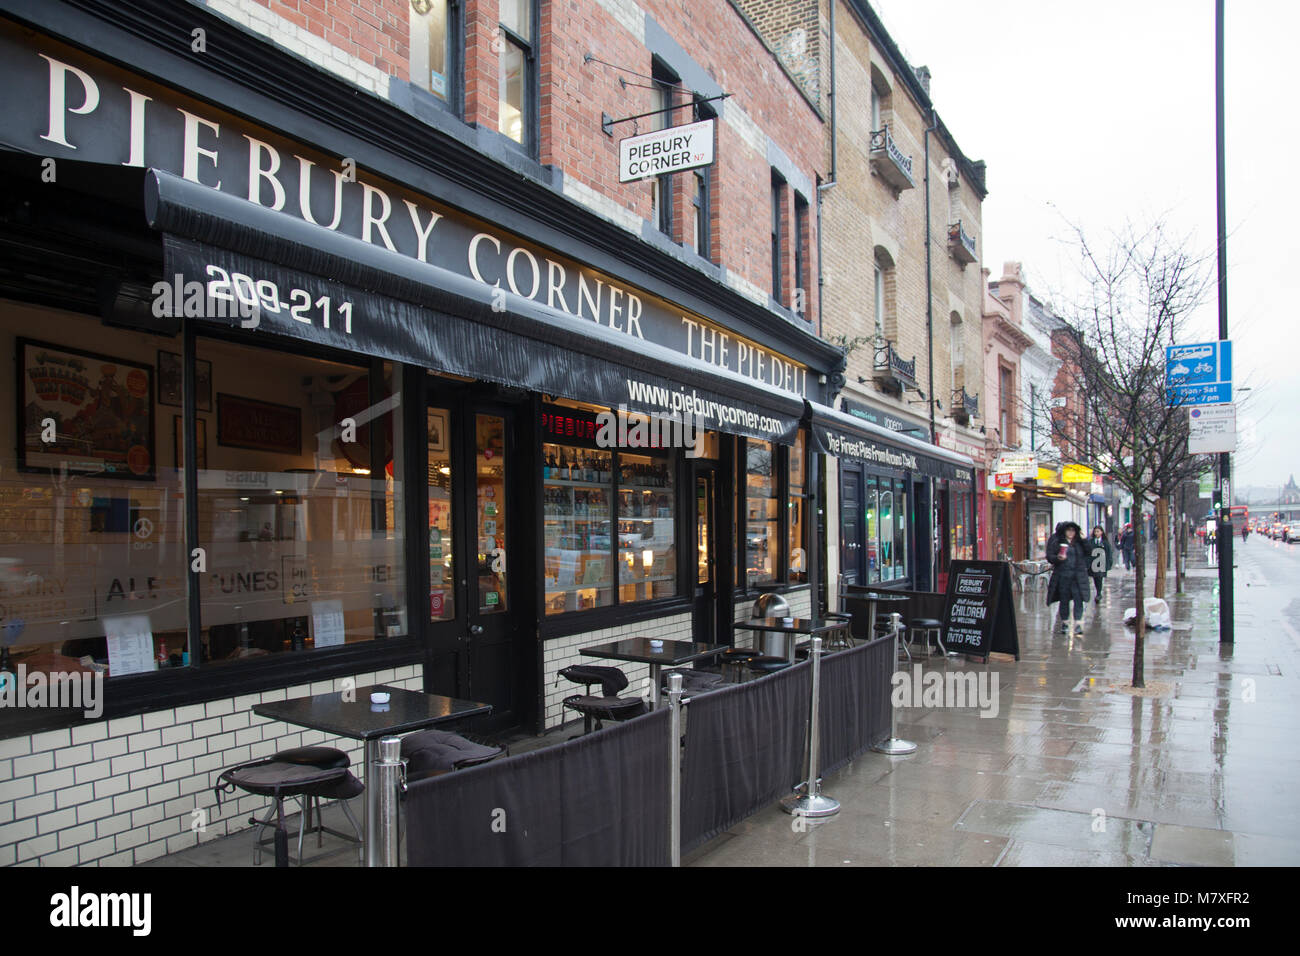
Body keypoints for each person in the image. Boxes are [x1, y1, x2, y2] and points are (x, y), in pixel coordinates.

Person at [1046, 520, 1091, 636]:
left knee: (1078, 600)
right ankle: (1065, 623)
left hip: (1078, 577)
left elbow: (1089, 552)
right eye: (1068, 530)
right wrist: (1057, 558)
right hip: (1063, 576)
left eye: (1073, 530)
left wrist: (1085, 540)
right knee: (1064, 600)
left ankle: (1078, 624)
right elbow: (1049, 556)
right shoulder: (1057, 541)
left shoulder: (1079, 542)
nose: (1071, 533)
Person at [1087, 525, 1114, 602]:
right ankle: (1098, 592)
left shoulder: (1105, 543)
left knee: (1099, 577)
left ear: (1101, 532)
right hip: (1093, 563)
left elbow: (1108, 553)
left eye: (1098, 531)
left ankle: (1099, 593)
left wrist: (1109, 563)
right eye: (1095, 531)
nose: (1096, 533)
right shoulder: (1091, 542)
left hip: (1101, 563)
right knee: (1095, 578)